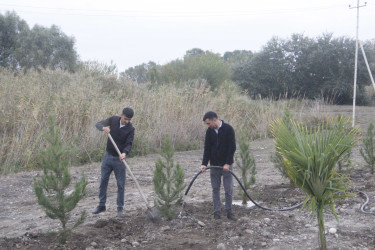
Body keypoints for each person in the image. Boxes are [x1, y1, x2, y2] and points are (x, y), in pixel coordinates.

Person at [92, 107, 135, 217]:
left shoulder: (130, 129)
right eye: (125, 119)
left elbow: (129, 144)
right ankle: (101, 205)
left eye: (129, 119)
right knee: (103, 181)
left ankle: (120, 208)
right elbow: (98, 124)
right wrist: (103, 128)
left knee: (121, 184)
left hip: (119, 160)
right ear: (121, 115)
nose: (127, 121)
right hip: (108, 157)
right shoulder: (113, 120)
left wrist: (124, 153)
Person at [201, 111, 237, 220]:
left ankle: (229, 212)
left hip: (226, 166)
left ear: (214, 120)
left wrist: (227, 163)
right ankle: (217, 212)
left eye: (208, 123)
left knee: (228, 189)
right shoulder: (209, 132)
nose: (208, 126)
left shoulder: (228, 129)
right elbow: (207, 149)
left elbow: (232, 148)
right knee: (215, 189)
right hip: (214, 166)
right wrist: (204, 164)